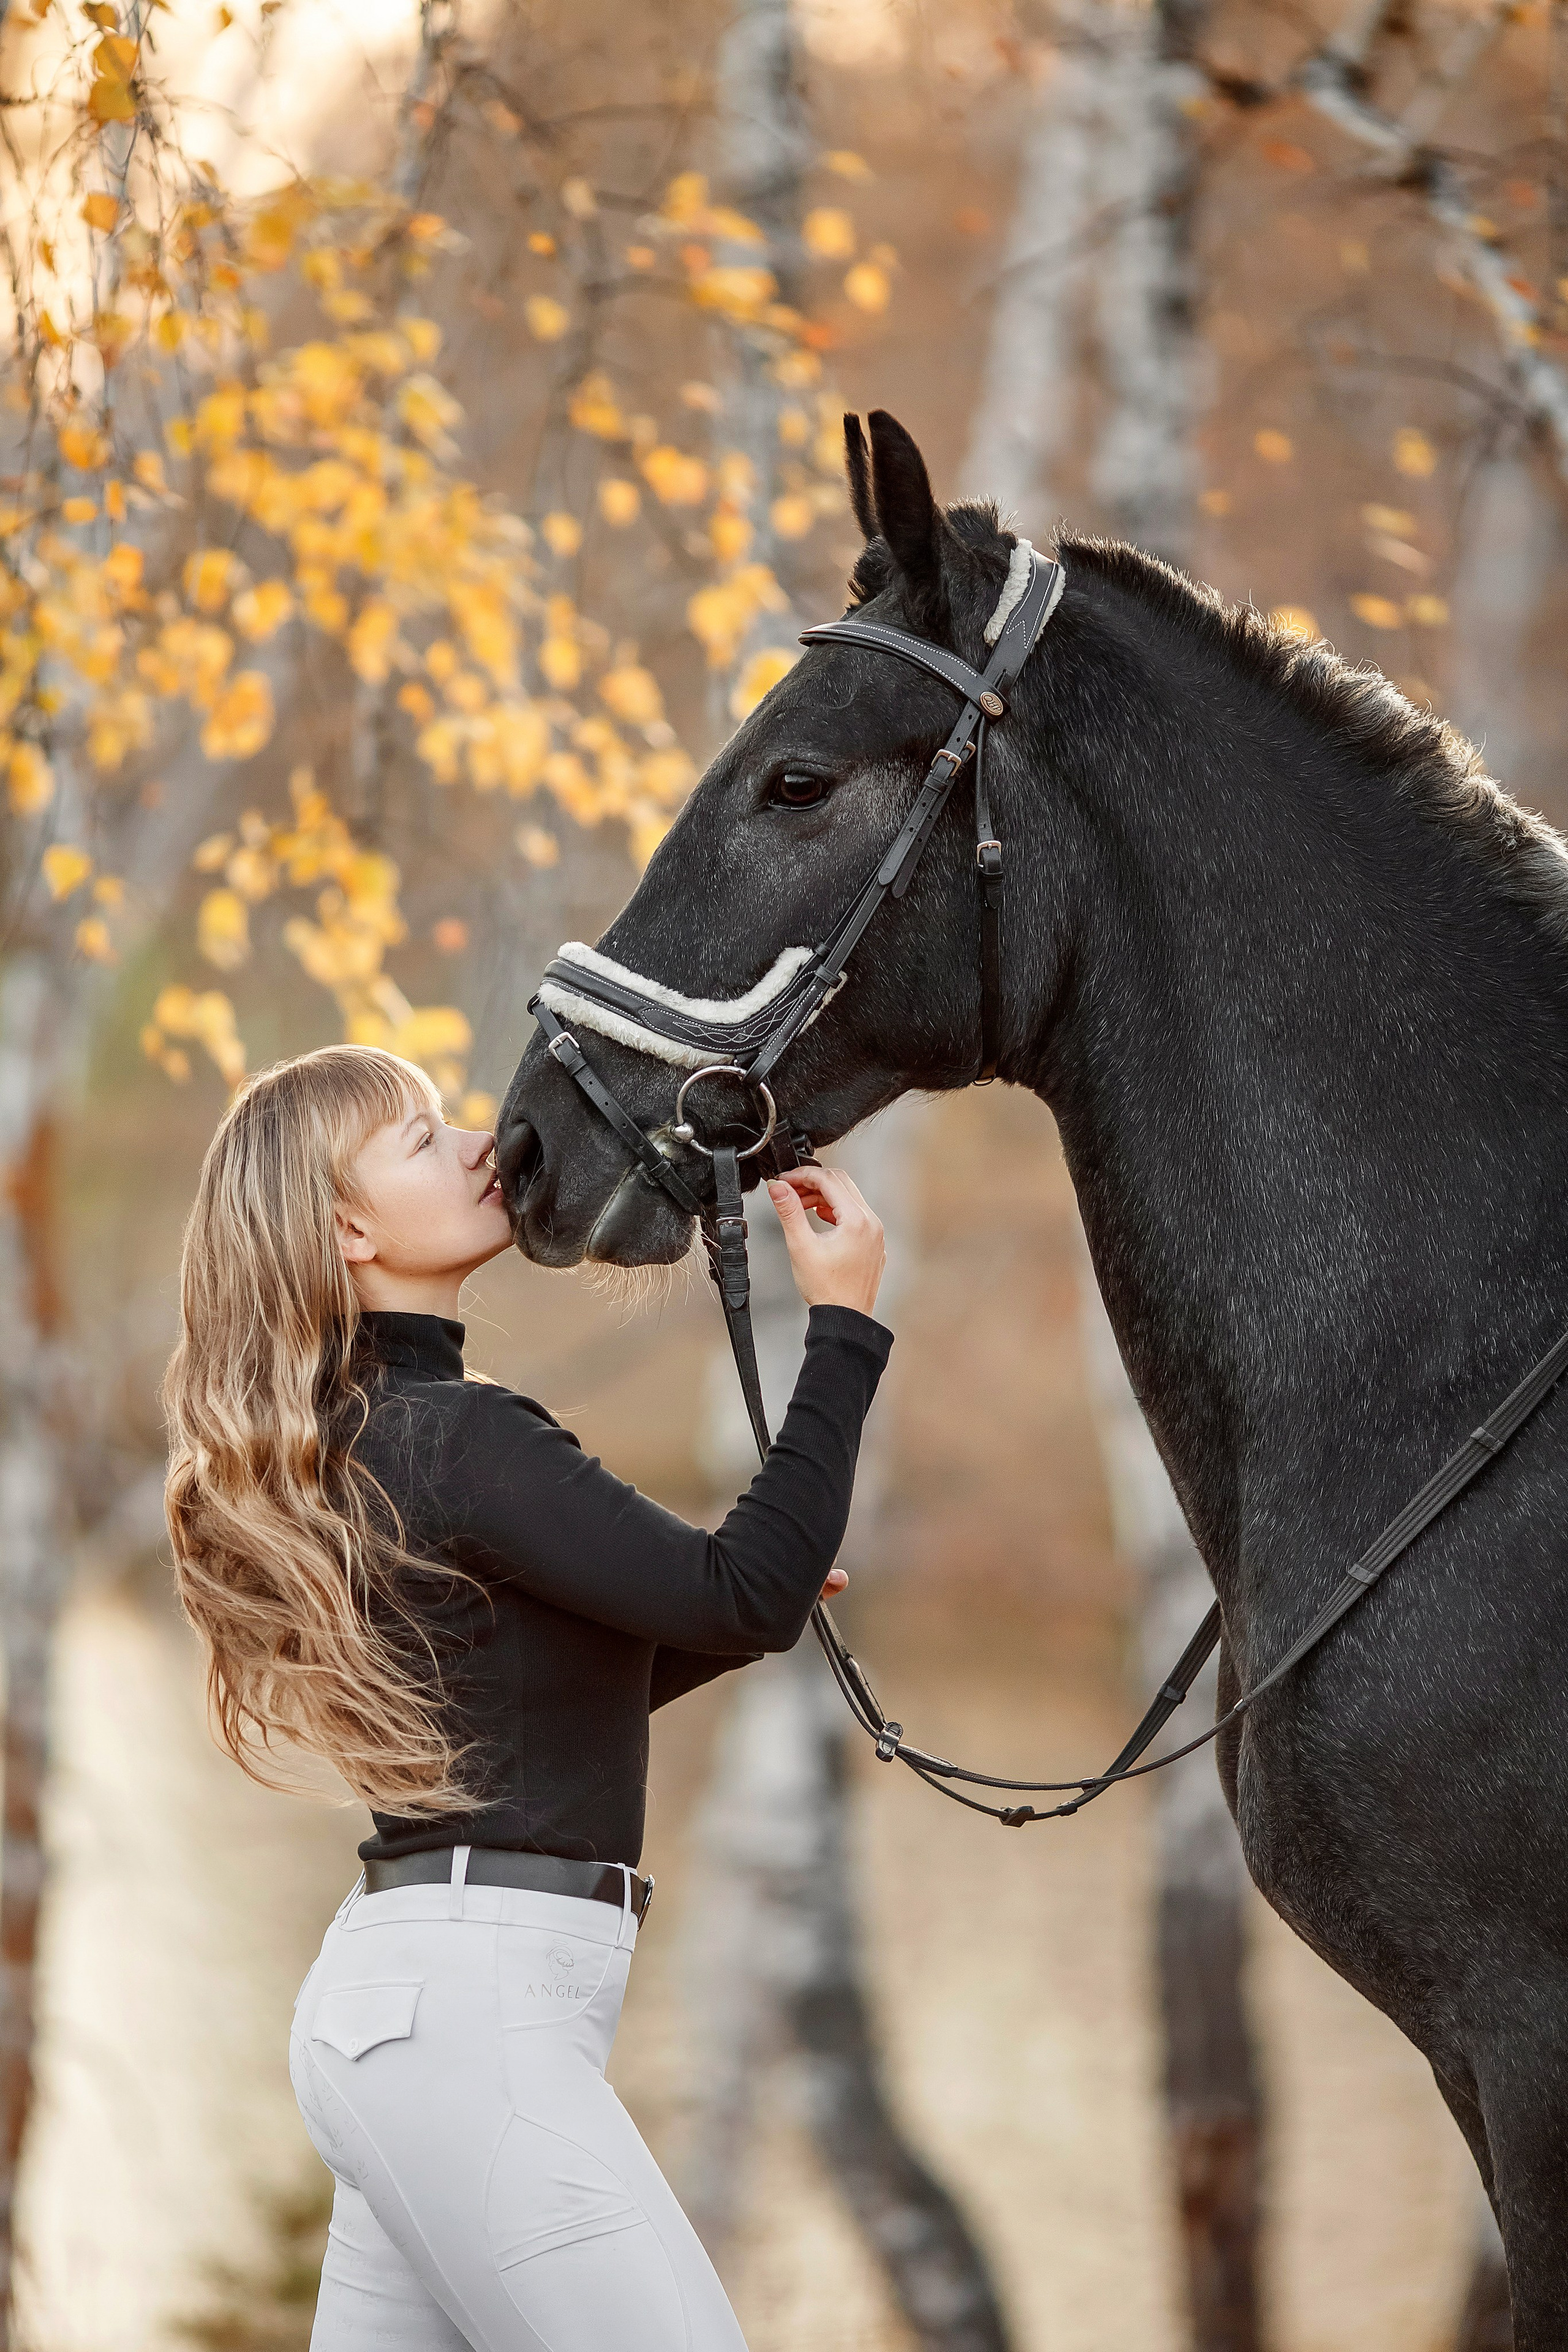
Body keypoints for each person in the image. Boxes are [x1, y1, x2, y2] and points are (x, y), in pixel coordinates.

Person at [163, 1041, 891, 2352]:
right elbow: (739, 1592)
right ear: (347, 1228)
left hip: (406, 2012)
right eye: (420, 1139)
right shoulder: (460, 1436)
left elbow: (535, 1704)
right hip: (468, 2023)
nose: (475, 1144)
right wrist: (841, 1322)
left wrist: (743, 1603)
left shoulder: (367, 1434)